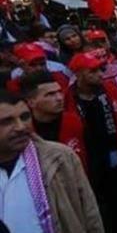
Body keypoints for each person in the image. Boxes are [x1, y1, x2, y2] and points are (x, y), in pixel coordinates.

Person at [0, 90, 103, 233]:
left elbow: (90, 214)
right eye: (6, 121)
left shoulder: (60, 157)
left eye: (25, 117)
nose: (21, 127)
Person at [65, 51, 117, 233]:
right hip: (86, 159)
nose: (99, 75)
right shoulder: (67, 98)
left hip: (113, 153)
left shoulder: (110, 90)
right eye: (92, 72)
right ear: (78, 74)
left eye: (99, 70)